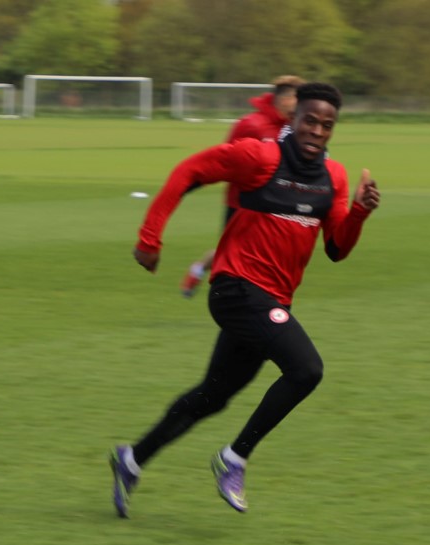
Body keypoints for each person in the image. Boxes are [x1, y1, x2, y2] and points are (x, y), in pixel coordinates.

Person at [110, 82, 379, 518]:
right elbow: (189, 171)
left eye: (326, 125)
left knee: (213, 396)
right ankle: (233, 459)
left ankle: (132, 459)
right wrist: (149, 238)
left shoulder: (334, 178)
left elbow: (337, 248)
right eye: (309, 120)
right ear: (293, 119)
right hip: (236, 289)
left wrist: (361, 212)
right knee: (306, 369)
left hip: (273, 300)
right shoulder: (260, 156)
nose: (316, 131)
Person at [180, 75, 305, 298]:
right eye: (299, 99)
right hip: (241, 203)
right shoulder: (250, 125)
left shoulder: (293, 128)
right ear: (285, 99)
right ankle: (203, 273)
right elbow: (222, 161)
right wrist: (186, 186)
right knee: (229, 255)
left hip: (274, 205)